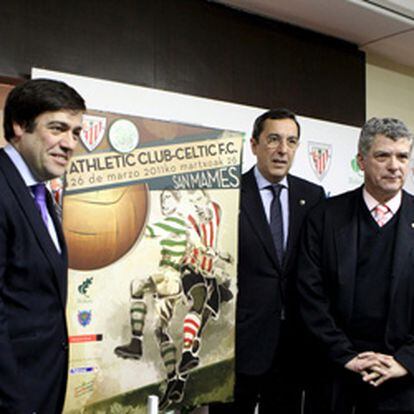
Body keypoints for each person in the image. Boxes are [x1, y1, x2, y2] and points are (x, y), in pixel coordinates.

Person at [210, 108, 325, 414]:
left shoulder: (313, 196)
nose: (282, 149)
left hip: (293, 347)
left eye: (291, 141)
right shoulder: (228, 191)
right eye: (273, 139)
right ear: (254, 144)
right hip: (237, 345)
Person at [297, 117, 414, 414]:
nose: (394, 166)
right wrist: (345, 355)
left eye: (402, 157)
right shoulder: (324, 217)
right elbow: (310, 296)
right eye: (382, 156)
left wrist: (406, 360)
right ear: (361, 161)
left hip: (402, 381)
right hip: (336, 374)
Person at [0, 78, 85, 413]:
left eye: (76, 132)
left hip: (41, 385)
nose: (70, 144)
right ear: (20, 125)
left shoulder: (39, 192)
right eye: (58, 128)